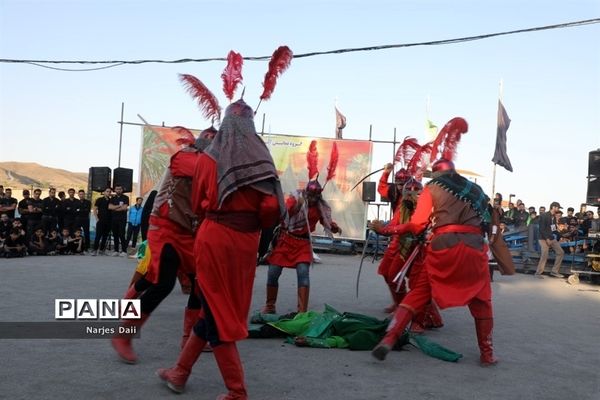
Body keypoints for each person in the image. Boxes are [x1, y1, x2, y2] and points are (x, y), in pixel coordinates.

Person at [157, 99, 284, 397]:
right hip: (246, 242)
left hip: (215, 238)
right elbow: (269, 208)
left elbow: (199, 204)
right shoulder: (263, 158)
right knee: (214, 307)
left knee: (216, 311)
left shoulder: (208, 159)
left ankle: (237, 391)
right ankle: (180, 372)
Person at [369, 117, 498, 366]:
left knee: (418, 293)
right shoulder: (477, 190)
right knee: (482, 301)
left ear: (436, 174)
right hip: (474, 248)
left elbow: (417, 224)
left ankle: (389, 338)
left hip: (442, 247)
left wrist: (391, 229)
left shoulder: (432, 188)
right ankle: (487, 353)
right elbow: (490, 223)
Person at [111, 127, 214, 364]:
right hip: (165, 227)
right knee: (162, 282)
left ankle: (188, 337)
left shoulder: (210, 164)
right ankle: (123, 334)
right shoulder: (185, 157)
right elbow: (203, 173)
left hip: (189, 232)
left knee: (200, 285)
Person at [261, 139, 342, 315]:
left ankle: (302, 311)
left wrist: (334, 228)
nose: (312, 199)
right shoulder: (295, 198)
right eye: (310, 195)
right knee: (273, 272)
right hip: (285, 240)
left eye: (315, 196)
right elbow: (285, 212)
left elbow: (326, 222)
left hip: (303, 244)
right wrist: (297, 205)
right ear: (307, 192)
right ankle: (270, 305)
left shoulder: (320, 206)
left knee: (303, 273)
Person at [375, 160, 410, 312]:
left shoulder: (414, 199)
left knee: (417, 282)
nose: (401, 187)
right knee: (385, 272)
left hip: (410, 242)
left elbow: (411, 225)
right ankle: (399, 304)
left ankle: (419, 314)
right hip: (396, 237)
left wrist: (384, 230)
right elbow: (382, 188)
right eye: (399, 184)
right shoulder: (395, 192)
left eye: (404, 184)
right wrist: (386, 172)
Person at [535, 201, 565, 279]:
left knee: (560, 252)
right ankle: (538, 273)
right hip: (542, 238)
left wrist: (562, 236)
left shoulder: (554, 217)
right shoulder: (544, 215)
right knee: (545, 253)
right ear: (553, 207)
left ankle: (554, 271)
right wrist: (547, 239)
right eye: (558, 208)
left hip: (550, 237)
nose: (558, 209)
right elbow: (541, 229)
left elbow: (554, 229)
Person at [488, 195, 516, 278]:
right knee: (490, 255)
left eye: (497, 203)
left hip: (494, 235)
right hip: (491, 233)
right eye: (494, 203)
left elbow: (495, 225)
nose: (495, 204)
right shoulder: (491, 210)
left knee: (491, 255)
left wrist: (492, 236)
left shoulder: (497, 212)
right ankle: (489, 276)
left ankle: (490, 276)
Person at [108, 185, 129, 256]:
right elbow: (110, 207)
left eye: (120, 189)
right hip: (114, 219)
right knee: (115, 235)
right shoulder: (113, 198)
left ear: (122, 190)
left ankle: (124, 251)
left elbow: (125, 208)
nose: (118, 190)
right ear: (115, 190)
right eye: (117, 189)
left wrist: (115, 208)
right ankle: (116, 250)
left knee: (122, 234)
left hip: (122, 219)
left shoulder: (125, 197)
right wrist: (119, 206)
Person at [92, 187, 112, 255]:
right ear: (104, 192)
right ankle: (95, 250)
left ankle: (101, 250)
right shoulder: (99, 199)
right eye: (107, 191)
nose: (108, 193)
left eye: (109, 192)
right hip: (100, 220)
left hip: (109, 221)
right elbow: (95, 209)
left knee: (105, 236)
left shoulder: (111, 200)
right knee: (98, 236)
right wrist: (97, 218)